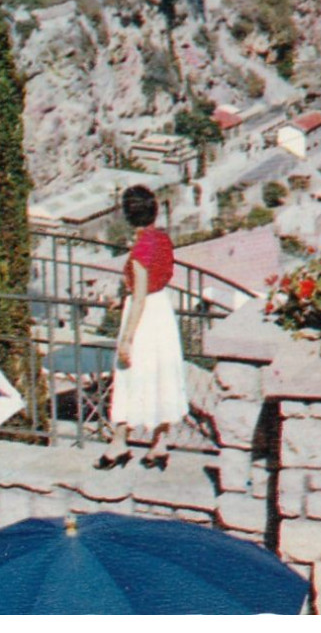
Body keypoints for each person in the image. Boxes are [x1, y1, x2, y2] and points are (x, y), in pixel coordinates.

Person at [98, 185, 188, 470]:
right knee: (160, 376)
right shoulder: (161, 239)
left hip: (144, 315)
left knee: (129, 376)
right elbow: (152, 283)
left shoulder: (139, 250)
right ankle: (159, 443)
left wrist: (126, 339)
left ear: (128, 215)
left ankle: (118, 443)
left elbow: (139, 297)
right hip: (162, 310)